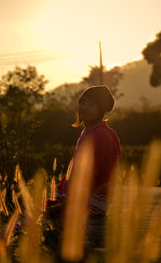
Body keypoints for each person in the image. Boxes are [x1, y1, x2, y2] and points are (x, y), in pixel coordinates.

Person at [46, 85, 121, 231]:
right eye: (82, 102)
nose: (84, 107)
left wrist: (65, 199)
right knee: (35, 213)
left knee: (34, 221)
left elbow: (88, 174)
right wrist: (59, 192)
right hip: (81, 196)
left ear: (101, 110)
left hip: (94, 199)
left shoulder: (100, 135)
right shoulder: (89, 132)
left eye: (91, 105)